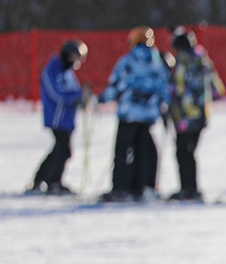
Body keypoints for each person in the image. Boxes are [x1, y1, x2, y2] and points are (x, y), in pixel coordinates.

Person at [99, 27, 169, 202]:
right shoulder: (157, 63)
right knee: (146, 152)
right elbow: (165, 89)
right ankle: (144, 187)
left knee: (123, 152)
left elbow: (116, 86)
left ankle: (122, 188)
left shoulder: (127, 62)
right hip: (148, 117)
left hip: (128, 115)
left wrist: (100, 99)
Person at [167, 28, 224, 201]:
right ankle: (192, 188)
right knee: (190, 152)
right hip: (201, 116)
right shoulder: (204, 62)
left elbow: (175, 89)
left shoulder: (182, 63)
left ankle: (188, 188)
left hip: (184, 116)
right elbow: (217, 90)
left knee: (183, 152)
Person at [30, 40, 87, 195]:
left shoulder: (67, 71)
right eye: (75, 57)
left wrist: (82, 98)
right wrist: (78, 96)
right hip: (57, 118)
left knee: (60, 149)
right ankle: (53, 182)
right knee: (63, 149)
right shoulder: (53, 69)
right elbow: (57, 94)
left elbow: (73, 90)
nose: (77, 62)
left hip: (66, 119)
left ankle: (40, 180)